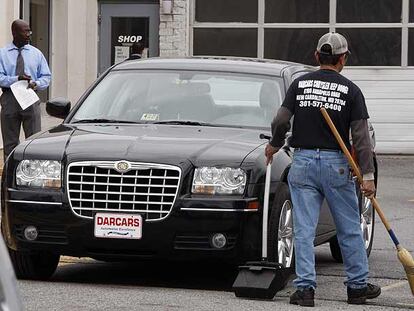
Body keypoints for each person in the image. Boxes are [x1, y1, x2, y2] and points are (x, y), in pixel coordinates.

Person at [265, 32, 381, 307]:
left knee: (304, 229)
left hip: (303, 163)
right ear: (343, 59)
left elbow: (281, 120)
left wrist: (274, 144)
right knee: (350, 227)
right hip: (336, 166)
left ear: (317, 56)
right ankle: (357, 287)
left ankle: (305, 290)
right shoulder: (351, 90)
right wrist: (367, 176)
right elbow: (362, 140)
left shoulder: (300, 84)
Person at [0, 19, 51, 159]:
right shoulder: (2, 54)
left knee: (33, 141)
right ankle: (10, 176)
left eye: (30, 31)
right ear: (14, 33)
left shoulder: (36, 54)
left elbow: (46, 77)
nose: (29, 34)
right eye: (25, 31)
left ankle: (31, 175)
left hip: (30, 97)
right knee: (10, 143)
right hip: (10, 99)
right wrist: (16, 79)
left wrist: (36, 83)